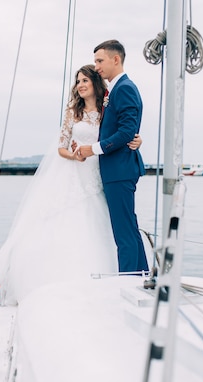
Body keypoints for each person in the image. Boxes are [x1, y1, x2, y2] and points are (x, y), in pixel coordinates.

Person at [0, 64, 143, 304]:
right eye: (77, 81)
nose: (80, 85)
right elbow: (62, 146)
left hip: (100, 173)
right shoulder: (73, 112)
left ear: (95, 84)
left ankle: (122, 278)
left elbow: (119, 132)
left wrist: (136, 139)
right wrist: (74, 155)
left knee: (107, 224)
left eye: (85, 81)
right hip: (76, 171)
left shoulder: (106, 109)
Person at [77, 40, 148, 274]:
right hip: (117, 169)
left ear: (115, 59)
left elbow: (127, 131)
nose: (96, 66)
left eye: (100, 61)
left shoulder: (124, 88)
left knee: (123, 233)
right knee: (128, 228)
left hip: (119, 170)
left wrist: (93, 149)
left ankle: (127, 280)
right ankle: (141, 276)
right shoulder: (114, 90)